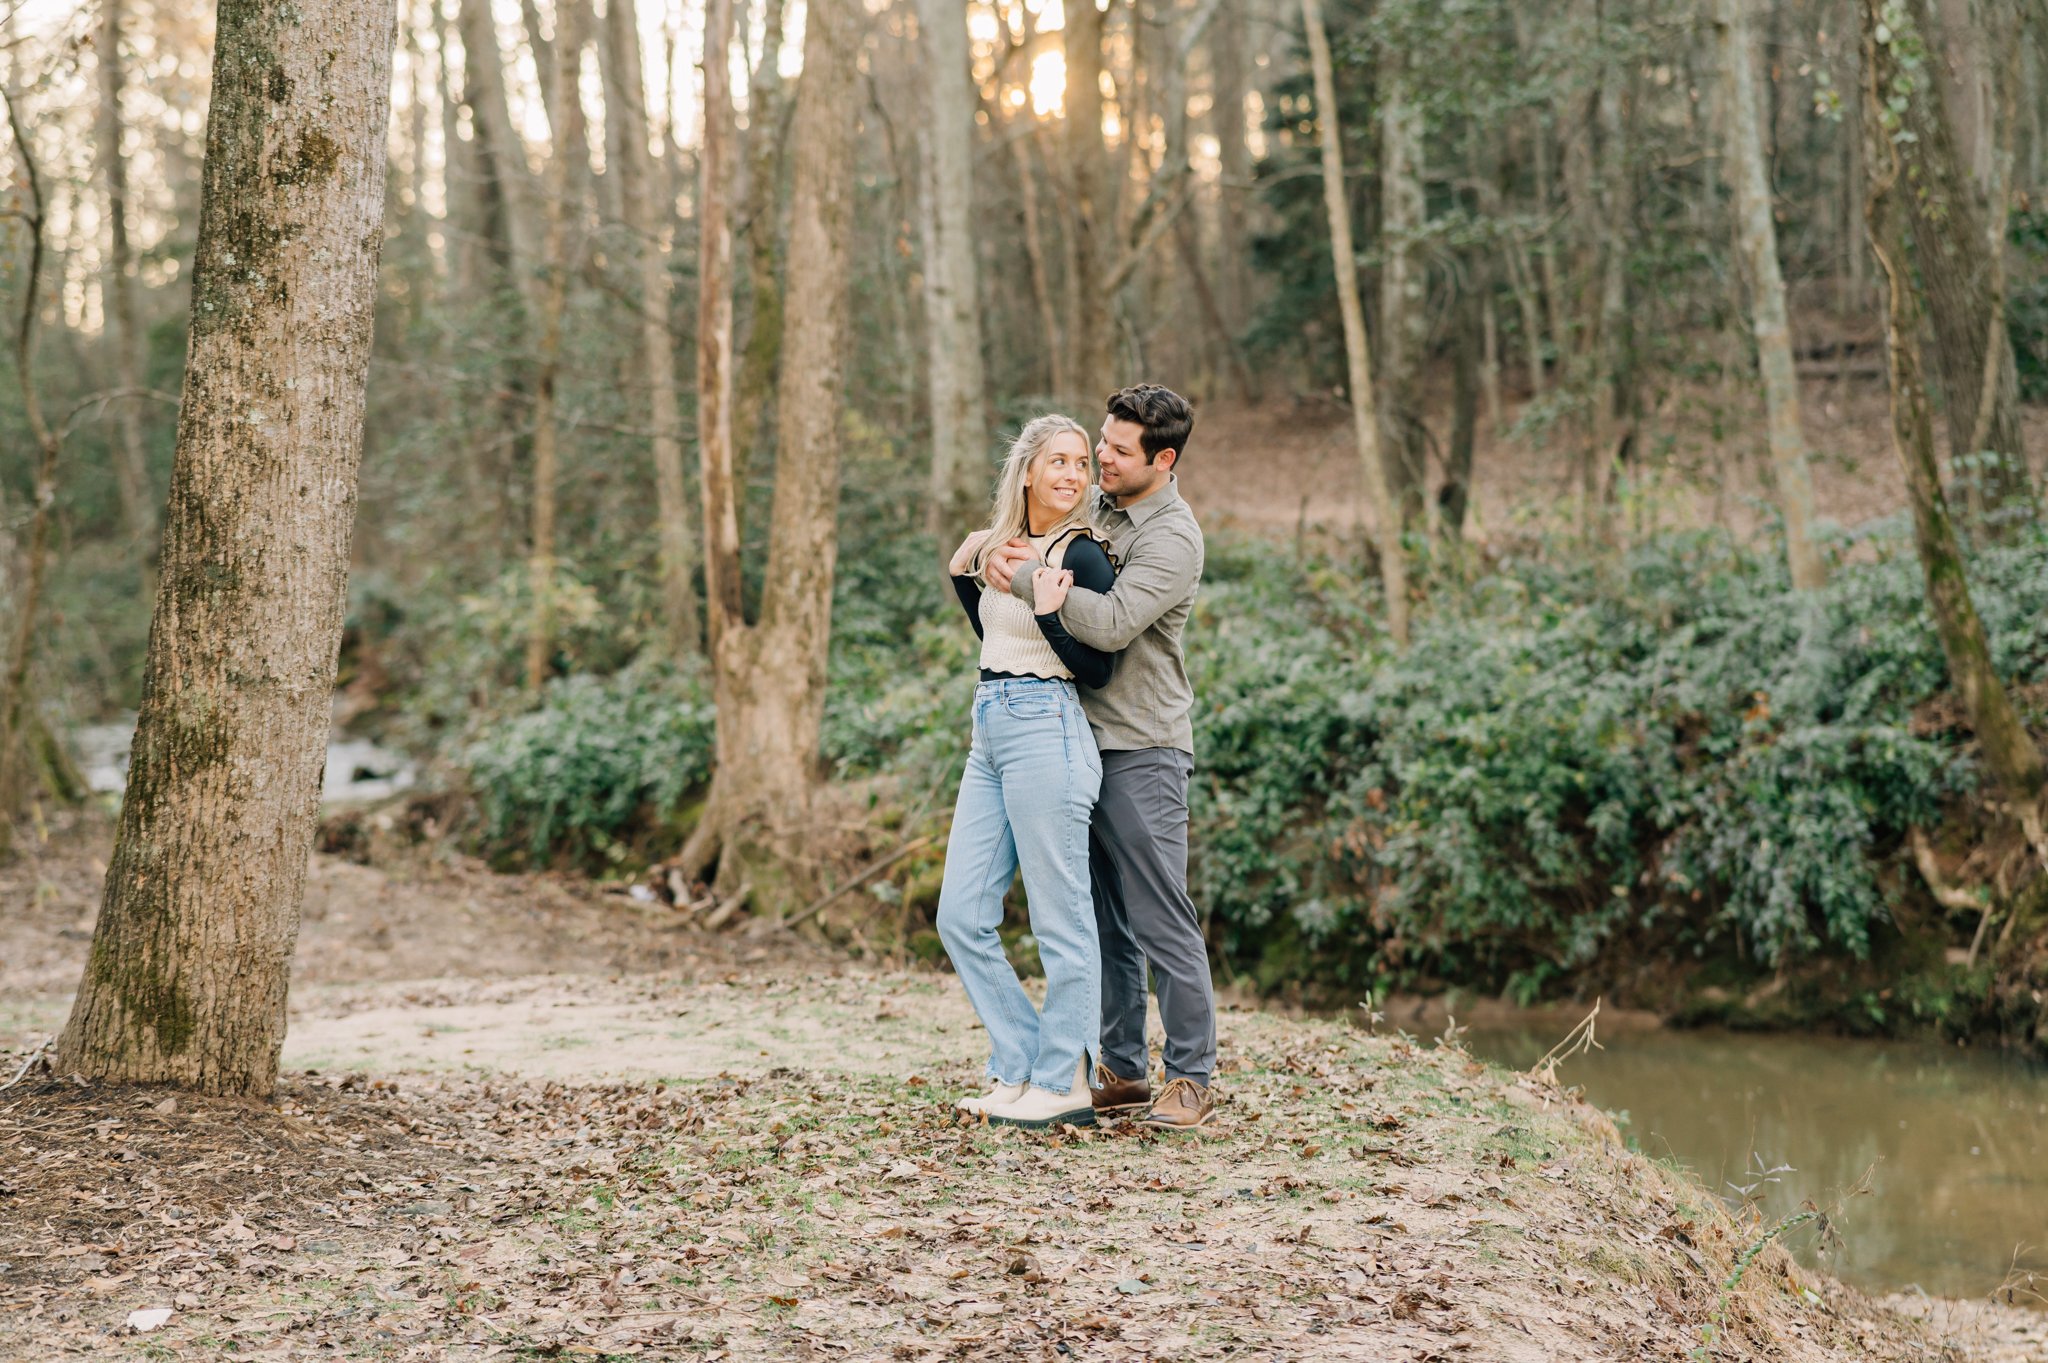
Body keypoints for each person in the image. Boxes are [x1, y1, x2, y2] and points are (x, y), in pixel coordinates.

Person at [983, 384, 1217, 1132]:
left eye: (1117, 451)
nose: (1102, 460)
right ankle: (1119, 1068)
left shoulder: (1172, 537)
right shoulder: (1101, 513)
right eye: (1102, 445)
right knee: (1103, 922)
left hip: (1143, 747)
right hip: (1075, 739)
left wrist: (1026, 581)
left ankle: (1189, 1077)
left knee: (1159, 917)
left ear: (1165, 458)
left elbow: (1113, 623)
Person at [938, 414, 1120, 1129]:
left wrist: (1050, 613)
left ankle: (1062, 1078)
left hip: (1050, 726)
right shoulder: (1005, 547)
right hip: (992, 723)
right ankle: (1017, 1062)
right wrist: (965, 573)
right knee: (960, 913)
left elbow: (1097, 667)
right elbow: (994, 634)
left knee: (1061, 920)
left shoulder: (1086, 554)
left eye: (1081, 462)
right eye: (1059, 462)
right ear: (1026, 471)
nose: (1074, 474)